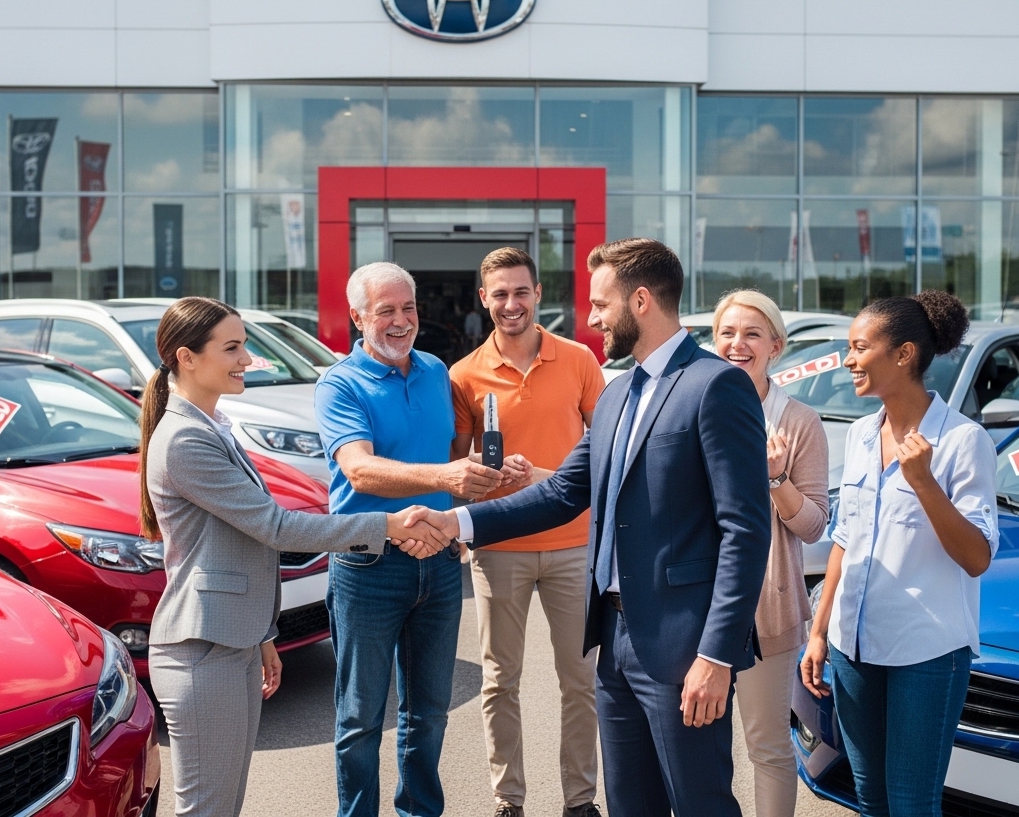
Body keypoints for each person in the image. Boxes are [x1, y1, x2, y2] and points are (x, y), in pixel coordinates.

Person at [403, 238, 773, 817]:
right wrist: (455, 522)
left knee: (701, 803)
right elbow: (562, 493)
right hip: (615, 641)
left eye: (602, 304)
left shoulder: (715, 385)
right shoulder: (618, 391)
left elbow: (745, 532)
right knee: (629, 805)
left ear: (642, 300)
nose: (592, 317)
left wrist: (717, 655)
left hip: (686, 650)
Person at [141, 297, 448, 817]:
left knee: (224, 805)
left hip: (229, 640)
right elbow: (275, 527)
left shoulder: (213, 424)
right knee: (207, 809)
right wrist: (388, 526)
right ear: (185, 357)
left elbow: (236, 544)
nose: (246, 360)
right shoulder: (185, 439)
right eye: (233, 348)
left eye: (245, 346)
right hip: (200, 649)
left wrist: (262, 635)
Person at [314, 262, 528, 817]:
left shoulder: (436, 371)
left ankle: (419, 812)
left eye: (408, 308)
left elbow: (449, 462)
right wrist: (445, 478)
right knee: (360, 717)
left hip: (437, 562)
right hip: (368, 567)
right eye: (385, 310)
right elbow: (360, 471)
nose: (401, 320)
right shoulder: (339, 383)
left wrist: (482, 474)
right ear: (357, 317)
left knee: (429, 712)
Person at [800, 291, 998, 817]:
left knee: (912, 804)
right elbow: (846, 537)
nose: (848, 360)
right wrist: (819, 632)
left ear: (903, 354)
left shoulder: (963, 441)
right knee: (871, 798)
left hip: (925, 654)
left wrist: (923, 482)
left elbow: (977, 557)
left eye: (859, 347)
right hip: (852, 650)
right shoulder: (863, 435)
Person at [450, 247, 606, 817]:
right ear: (484, 299)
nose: (510, 303)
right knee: (499, 682)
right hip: (500, 548)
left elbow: (609, 451)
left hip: (574, 544)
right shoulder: (463, 374)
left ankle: (580, 799)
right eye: (499, 294)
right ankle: (507, 799)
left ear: (538, 294)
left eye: (521, 292)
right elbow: (455, 466)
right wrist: (478, 483)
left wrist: (553, 479)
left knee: (580, 682)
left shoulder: (580, 360)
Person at [712, 290, 829, 817]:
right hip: (696, 608)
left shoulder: (798, 422)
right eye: (728, 333)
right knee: (700, 752)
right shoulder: (695, 405)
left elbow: (812, 526)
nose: (738, 344)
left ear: (776, 346)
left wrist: (777, 479)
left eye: (752, 334)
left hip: (766, 614)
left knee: (767, 749)